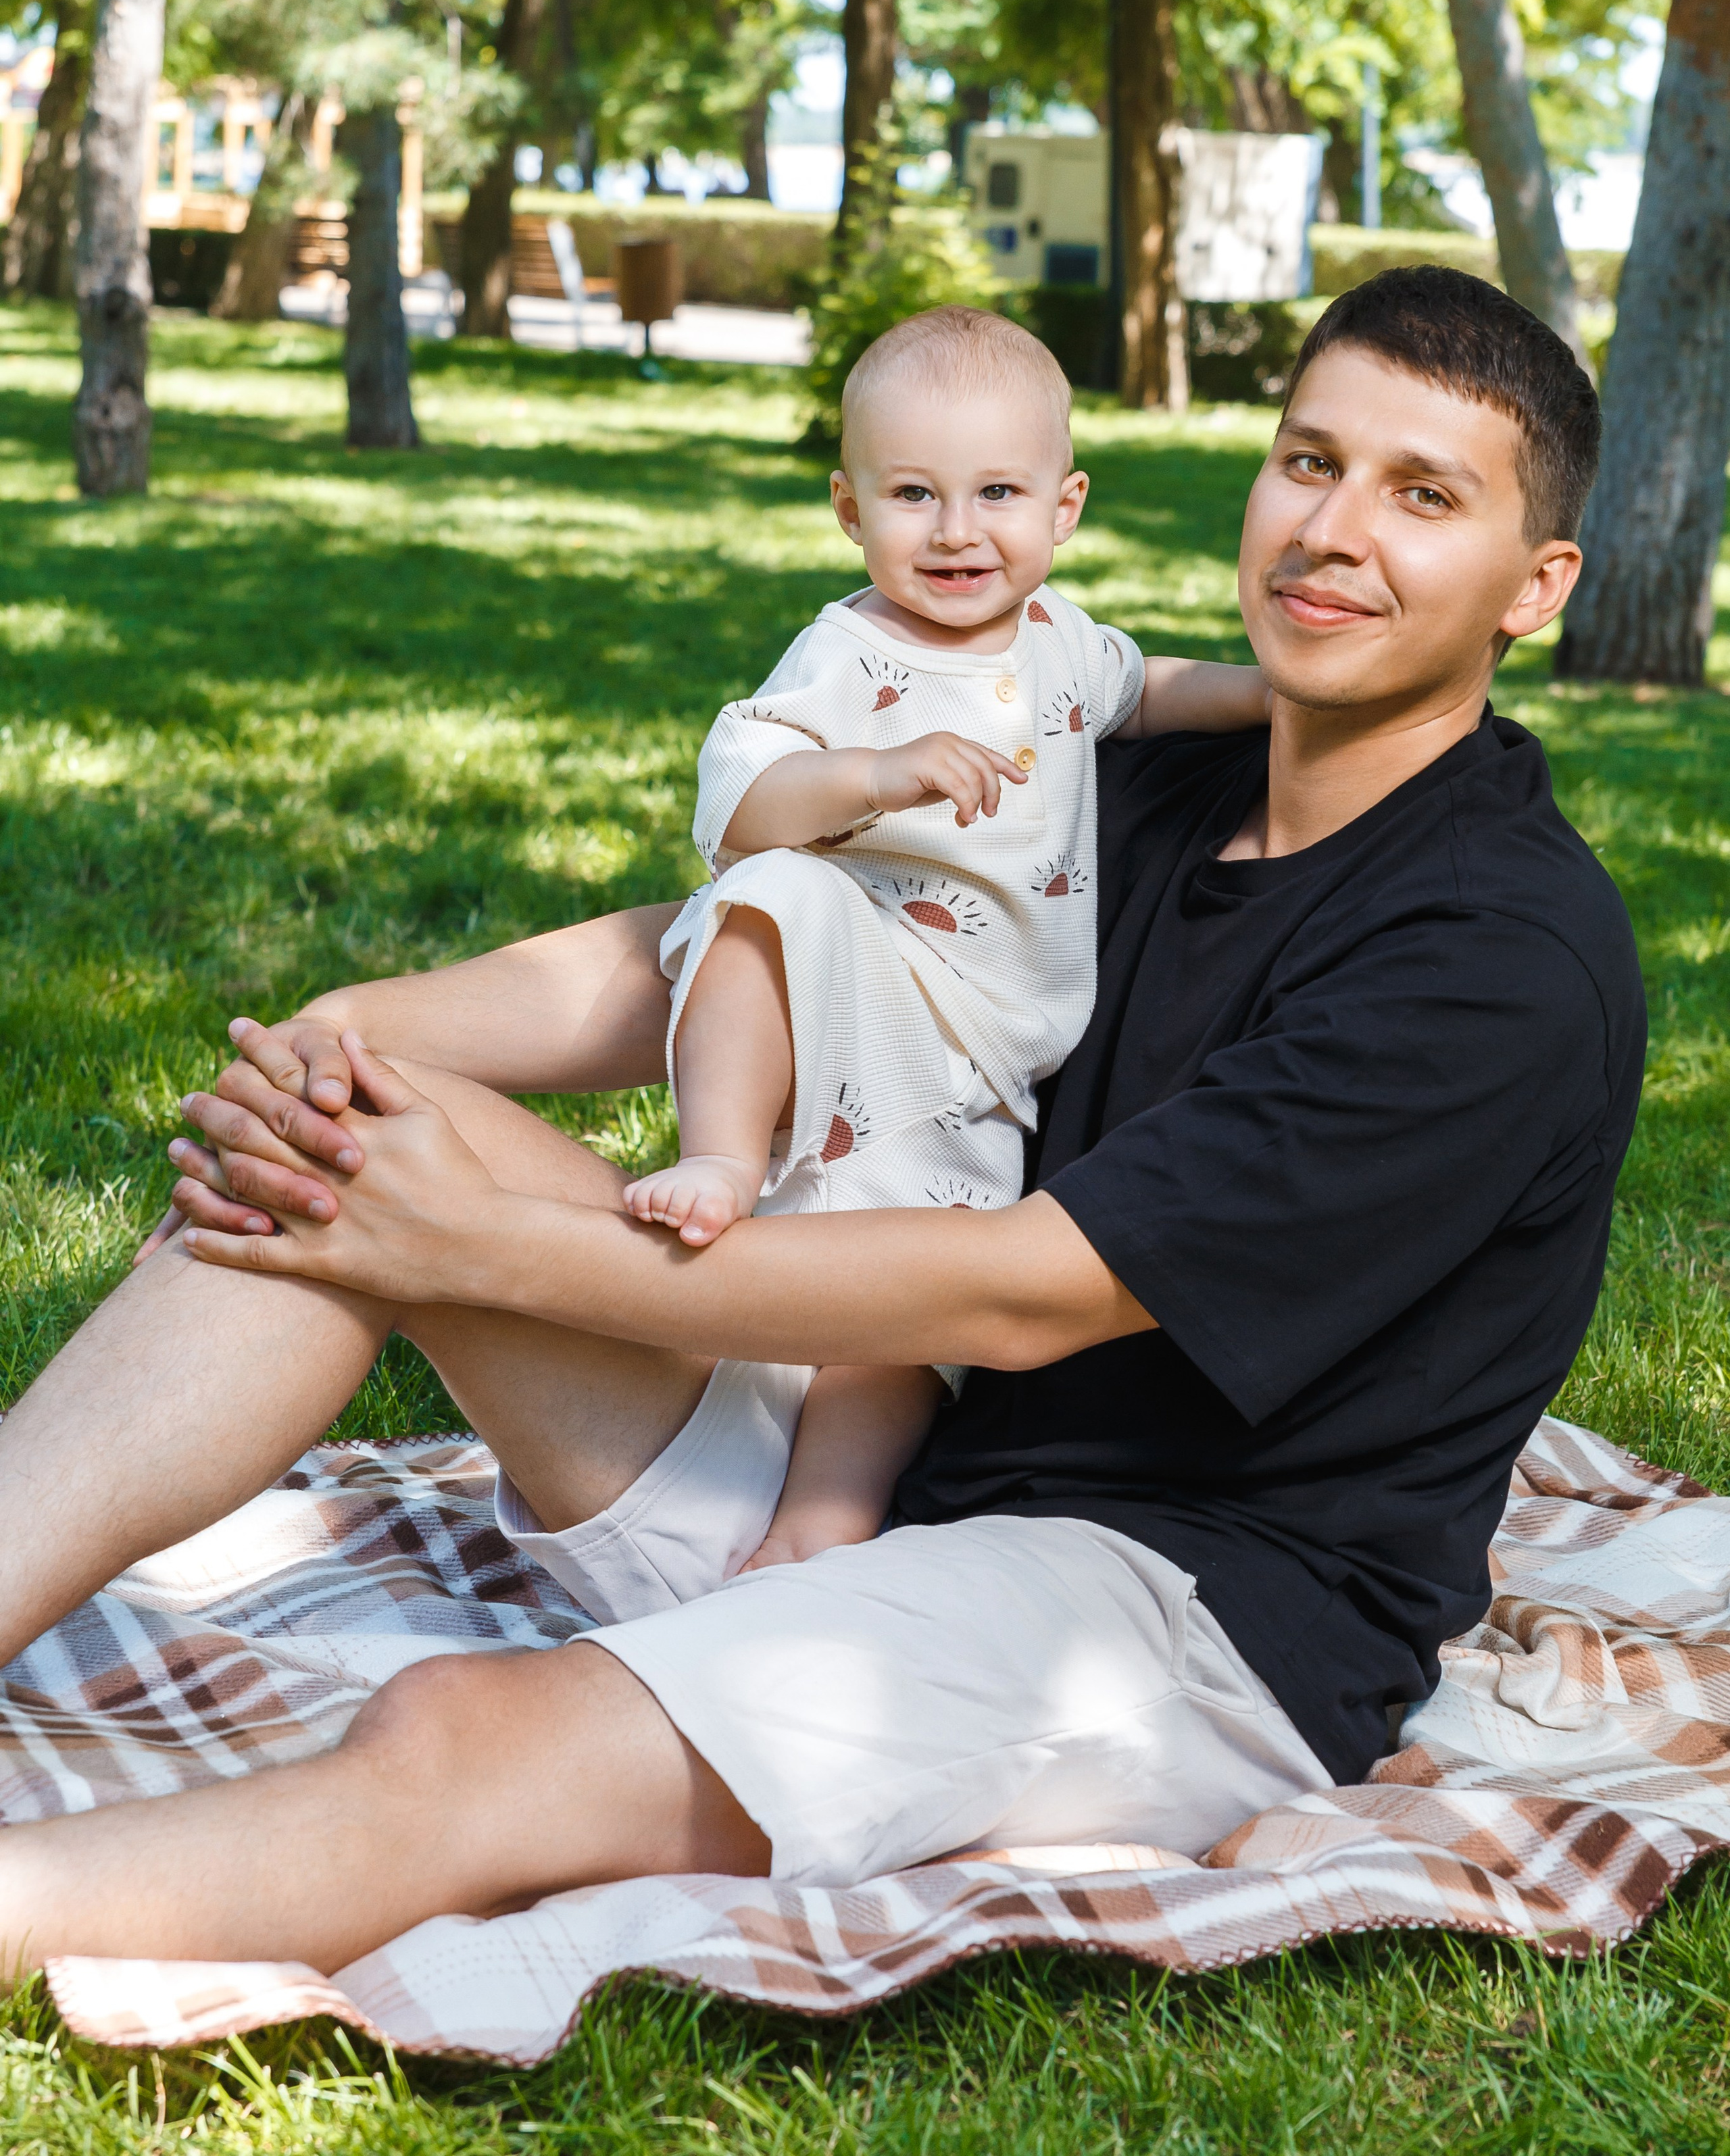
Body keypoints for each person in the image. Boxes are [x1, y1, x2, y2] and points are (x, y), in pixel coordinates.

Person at [0, 266, 1643, 1980]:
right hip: (871, 1465)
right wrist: (347, 1034)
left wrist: (485, 1247)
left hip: (1168, 1608)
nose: (1331, 530)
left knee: (458, 1736)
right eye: (1310, 462)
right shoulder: (1125, 769)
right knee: (338, 1143)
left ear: (1535, 587)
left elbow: (1025, 1291)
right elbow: (741, 939)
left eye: (1420, 494)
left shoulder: (1494, 955)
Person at [620, 304, 1268, 1580]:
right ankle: (721, 1156)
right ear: (851, 509)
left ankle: (823, 1522)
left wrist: (1278, 693)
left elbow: (1158, 693)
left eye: (997, 493)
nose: (958, 530)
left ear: (1065, 506)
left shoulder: (1065, 647)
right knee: (772, 899)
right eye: (914, 493)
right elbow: (744, 806)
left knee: (902, 1313)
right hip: (861, 978)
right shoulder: (850, 653)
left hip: (984, 1054)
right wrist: (877, 771)